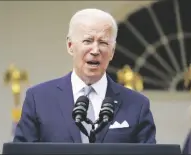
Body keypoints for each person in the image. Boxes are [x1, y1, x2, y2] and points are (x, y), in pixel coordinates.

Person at [13, 8, 156, 143]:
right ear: (70, 46)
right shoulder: (39, 99)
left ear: (112, 51)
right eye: (87, 41)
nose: (95, 50)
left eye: (103, 42)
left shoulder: (137, 105)